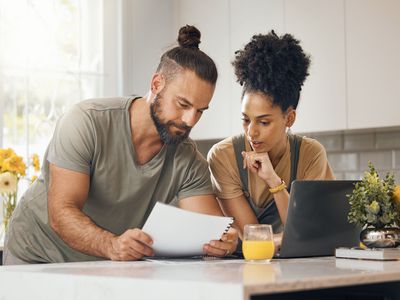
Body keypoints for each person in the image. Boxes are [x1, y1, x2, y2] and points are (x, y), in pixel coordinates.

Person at [3, 25, 238, 265]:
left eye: (200, 111)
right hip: (36, 256)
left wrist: (224, 241)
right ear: (157, 84)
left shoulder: (188, 160)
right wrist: (112, 245)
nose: (190, 120)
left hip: (101, 264)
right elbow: (62, 213)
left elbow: (210, 230)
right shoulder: (86, 122)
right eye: (182, 104)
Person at [207, 30, 334, 242]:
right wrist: (285, 239)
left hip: (297, 266)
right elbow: (255, 238)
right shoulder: (223, 157)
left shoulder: (310, 154)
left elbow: (305, 234)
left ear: (289, 118)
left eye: (264, 122)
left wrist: (273, 180)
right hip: (241, 269)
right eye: (246, 119)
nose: (251, 132)